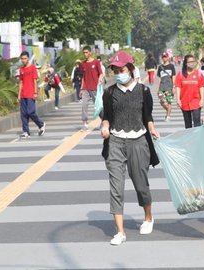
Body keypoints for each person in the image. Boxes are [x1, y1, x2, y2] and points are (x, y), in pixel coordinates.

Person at [100, 50, 160, 245]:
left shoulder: (143, 91)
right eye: (115, 70)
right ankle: (120, 232)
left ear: (131, 69)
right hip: (115, 142)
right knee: (116, 187)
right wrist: (105, 126)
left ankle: (148, 217)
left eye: (122, 69)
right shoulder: (109, 92)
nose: (118, 73)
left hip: (138, 141)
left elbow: (147, 116)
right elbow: (106, 116)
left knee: (140, 183)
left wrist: (152, 128)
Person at [17, 51, 46, 138]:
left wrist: (35, 92)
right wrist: (19, 95)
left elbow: (35, 81)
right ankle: (26, 131)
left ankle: (41, 124)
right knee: (23, 114)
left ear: (28, 58)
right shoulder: (21, 69)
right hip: (23, 95)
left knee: (30, 112)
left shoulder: (33, 67)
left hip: (31, 94)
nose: (23, 60)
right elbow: (21, 82)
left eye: (25, 58)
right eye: (22, 59)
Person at [174, 54, 204, 129]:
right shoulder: (181, 74)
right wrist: (178, 99)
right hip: (184, 101)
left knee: (197, 121)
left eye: (193, 61)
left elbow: (201, 86)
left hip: (196, 101)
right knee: (187, 123)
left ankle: (197, 138)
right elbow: (178, 87)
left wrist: (202, 99)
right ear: (186, 63)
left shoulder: (199, 74)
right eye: (190, 62)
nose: (192, 63)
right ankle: (190, 139)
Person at [80, 46, 104, 130]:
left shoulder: (96, 62)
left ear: (90, 52)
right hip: (85, 88)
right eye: (84, 52)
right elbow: (83, 77)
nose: (85, 54)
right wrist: (81, 88)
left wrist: (100, 79)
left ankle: (103, 120)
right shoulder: (83, 64)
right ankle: (84, 122)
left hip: (95, 87)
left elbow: (101, 73)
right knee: (84, 105)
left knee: (98, 106)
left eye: (86, 52)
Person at [157, 52, 176, 121]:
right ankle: (168, 110)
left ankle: (168, 116)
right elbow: (159, 78)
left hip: (169, 86)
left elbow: (174, 76)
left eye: (165, 57)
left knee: (169, 101)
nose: (164, 58)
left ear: (168, 57)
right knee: (161, 101)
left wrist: (174, 87)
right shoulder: (160, 67)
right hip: (162, 86)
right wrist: (158, 88)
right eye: (163, 57)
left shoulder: (171, 66)